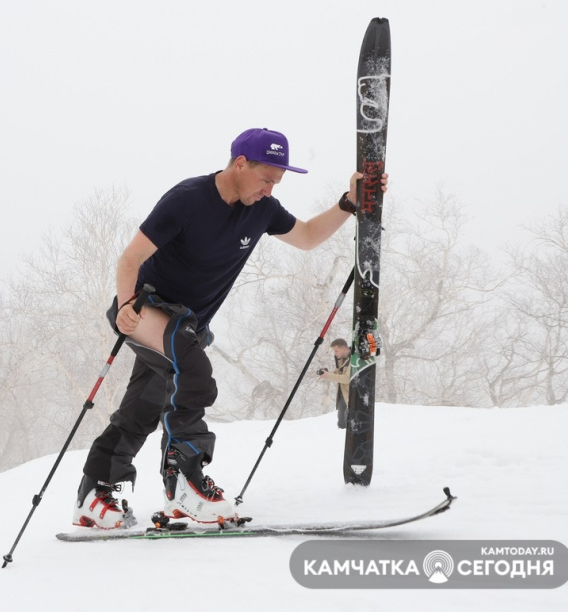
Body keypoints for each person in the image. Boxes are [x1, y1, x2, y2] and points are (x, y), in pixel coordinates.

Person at [71, 128, 390, 529]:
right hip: (145, 309)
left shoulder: (262, 209)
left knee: (144, 408)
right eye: (266, 179)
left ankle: (95, 491)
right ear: (241, 164)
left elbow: (307, 237)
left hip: (187, 325)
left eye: (277, 183)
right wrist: (124, 306)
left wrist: (348, 204)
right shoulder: (186, 200)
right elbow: (130, 258)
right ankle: (185, 483)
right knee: (195, 376)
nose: (270, 190)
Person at [319, 338, 352, 429]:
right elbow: (338, 373)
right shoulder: (341, 359)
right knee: (341, 422)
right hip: (342, 395)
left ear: (344, 349)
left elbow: (347, 378)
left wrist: (328, 376)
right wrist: (326, 374)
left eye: (336, 351)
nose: (335, 353)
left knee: (347, 421)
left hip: (351, 396)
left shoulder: (353, 359)